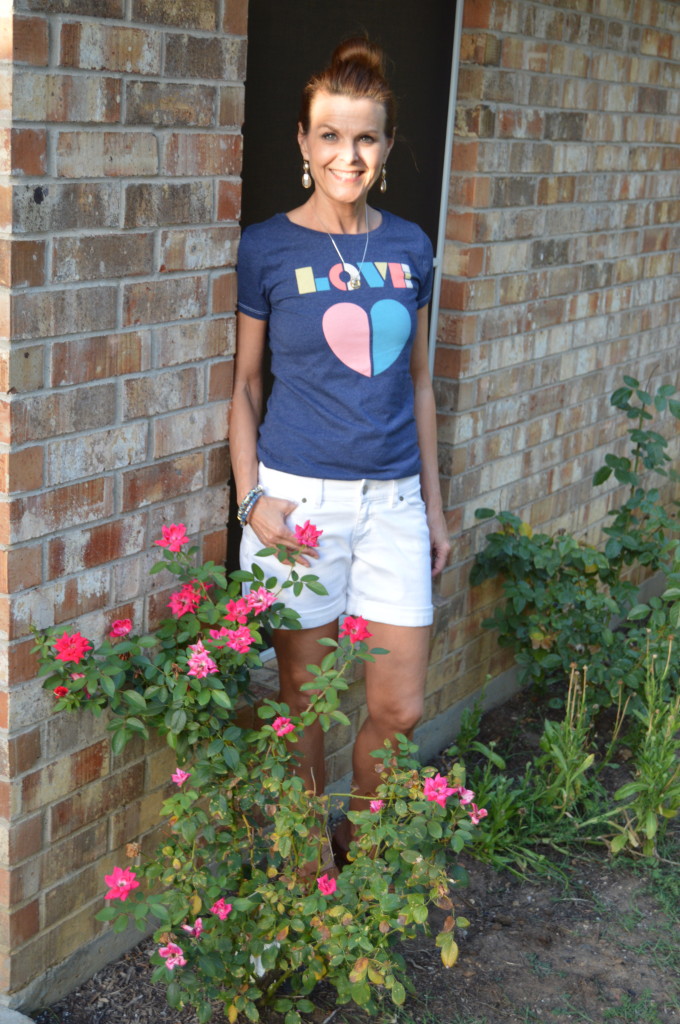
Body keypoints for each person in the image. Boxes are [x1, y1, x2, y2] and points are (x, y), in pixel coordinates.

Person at [230, 38, 450, 864]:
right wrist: (252, 500)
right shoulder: (268, 248)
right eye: (330, 135)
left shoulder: (409, 247)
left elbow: (421, 383)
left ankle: (354, 851)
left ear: (388, 146)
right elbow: (247, 388)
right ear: (302, 142)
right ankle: (305, 869)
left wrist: (432, 506)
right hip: (296, 504)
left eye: (365, 138)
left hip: (392, 502)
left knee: (398, 709)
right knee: (300, 700)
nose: (346, 155)